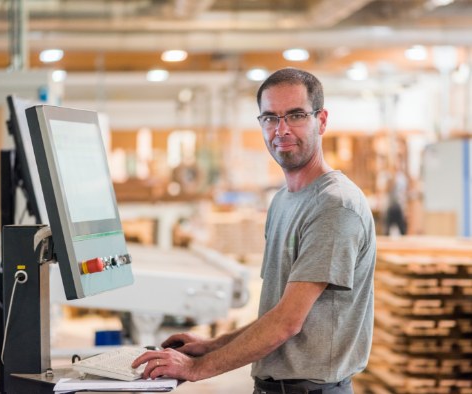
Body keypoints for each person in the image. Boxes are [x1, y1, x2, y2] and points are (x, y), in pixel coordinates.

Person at [132, 68, 377, 394]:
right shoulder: (282, 201)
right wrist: (213, 345)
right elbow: (275, 312)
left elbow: (287, 322)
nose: (281, 129)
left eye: (296, 115)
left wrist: (196, 368)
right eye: (270, 118)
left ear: (322, 120)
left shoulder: (334, 207)